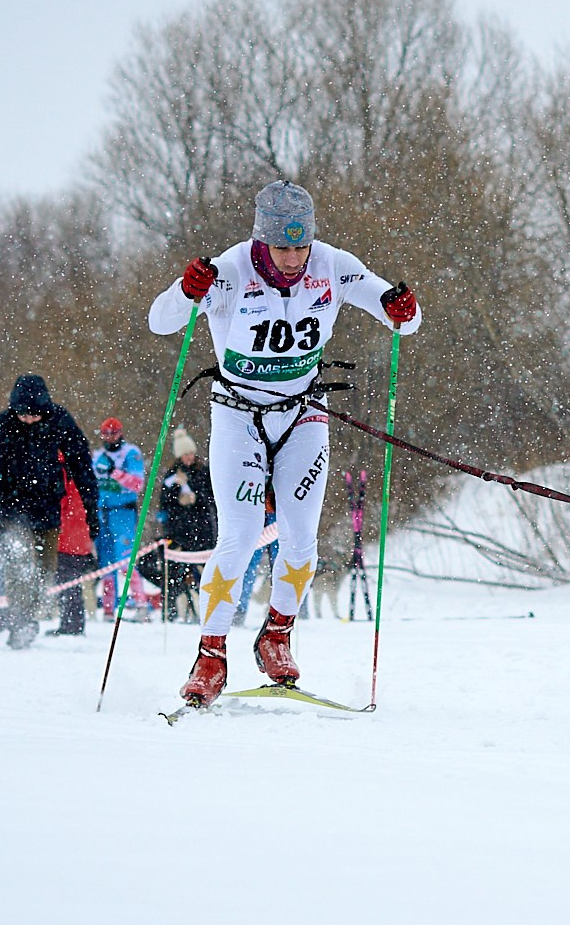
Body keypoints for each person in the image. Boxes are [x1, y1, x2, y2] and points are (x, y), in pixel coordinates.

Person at [148, 180, 419, 705]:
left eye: (301, 246)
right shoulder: (230, 271)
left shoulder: (333, 265)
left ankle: (276, 634)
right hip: (238, 415)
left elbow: (402, 322)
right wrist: (187, 290)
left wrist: (403, 309)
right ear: (261, 239)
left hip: (303, 413)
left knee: (301, 537)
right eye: (282, 247)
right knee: (240, 533)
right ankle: (210, 654)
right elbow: (160, 322)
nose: (294, 259)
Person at [0, 374, 100, 649]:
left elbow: (82, 465)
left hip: (46, 508)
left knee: (44, 570)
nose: (28, 420)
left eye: (34, 415)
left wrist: (91, 508)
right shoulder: (2, 426)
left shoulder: (59, 420)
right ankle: (21, 621)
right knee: (18, 564)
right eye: (23, 415)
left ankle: (29, 615)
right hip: (11, 510)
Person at [157, 428, 217, 624]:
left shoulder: (203, 472)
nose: (189, 457)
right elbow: (164, 502)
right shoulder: (172, 475)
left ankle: (208, 610)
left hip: (202, 530)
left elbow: (211, 496)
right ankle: (175, 610)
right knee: (176, 573)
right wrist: (177, 493)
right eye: (185, 454)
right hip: (180, 532)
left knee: (204, 573)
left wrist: (196, 497)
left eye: (191, 453)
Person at [91, 418, 148, 619]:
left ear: (120, 433)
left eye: (113, 433)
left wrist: (114, 472)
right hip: (102, 513)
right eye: (106, 434)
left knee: (125, 561)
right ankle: (108, 609)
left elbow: (137, 484)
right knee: (106, 564)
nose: (110, 437)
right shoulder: (98, 456)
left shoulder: (130, 453)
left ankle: (141, 605)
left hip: (123, 513)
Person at [51, 466, 97, 636]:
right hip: (77, 534)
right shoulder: (75, 471)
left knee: (67, 583)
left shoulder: (61, 470)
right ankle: (71, 623)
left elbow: (60, 502)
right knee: (71, 584)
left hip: (68, 535)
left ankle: (72, 625)